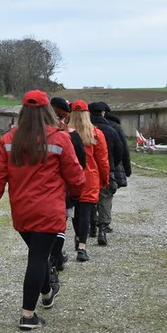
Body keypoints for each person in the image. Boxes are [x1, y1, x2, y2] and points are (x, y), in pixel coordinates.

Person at [0, 90, 85, 330]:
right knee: (38, 258)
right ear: (48, 110)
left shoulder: (10, 139)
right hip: (49, 210)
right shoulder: (60, 139)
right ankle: (28, 315)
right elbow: (75, 174)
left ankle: (47, 291)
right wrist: (78, 195)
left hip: (22, 211)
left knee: (39, 256)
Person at [48, 97, 86, 277]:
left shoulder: (33, 134)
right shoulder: (71, 135)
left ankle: (51, 255)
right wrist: (76, 190)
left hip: (37, 189)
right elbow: (80, 164)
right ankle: (55, 257)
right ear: (64, 114)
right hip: (62, 189)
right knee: (60, 224)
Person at [68, 100, 109, 262]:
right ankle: (82, 247)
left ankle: (78, 237)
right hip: (90, 178)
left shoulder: (65, 133)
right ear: (87, 114)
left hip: (70, 178)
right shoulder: (96, 134)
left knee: (75, 213)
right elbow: (103, 160)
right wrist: (104, 179)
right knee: (85, 213)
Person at [88, 102, 124, 245]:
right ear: (103, 113)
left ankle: (91, 226)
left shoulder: (85, 130)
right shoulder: (112, 129)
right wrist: (114, 165)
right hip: (106, 168)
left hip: (88, 170)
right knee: (105, 197)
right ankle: (103, 227)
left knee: (89, 199)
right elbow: (120, 150)